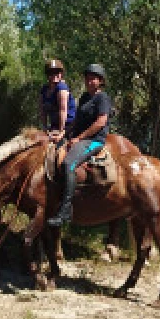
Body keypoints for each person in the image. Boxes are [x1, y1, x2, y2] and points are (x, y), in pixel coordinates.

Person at [48, 64, 111, 227]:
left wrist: (79, 138)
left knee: (69, 164)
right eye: (88, 78)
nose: (90, 81)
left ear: (100, 81)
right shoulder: (84, 97)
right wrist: (64, 134)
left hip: (94, 141)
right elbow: (76, 120)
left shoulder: (102, 98)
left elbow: (101, 122)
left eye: (94, 78)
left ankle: (66, 211)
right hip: (79, 138)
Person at [38, 58, 76, 142]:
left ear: (61, 74)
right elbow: (42, 110)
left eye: (57, 72)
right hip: (54, 125)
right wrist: (44, 127)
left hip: (68, 126)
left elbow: (63, 110)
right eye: (51, 72)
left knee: (59, 146)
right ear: (47, 75)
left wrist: (61, 131)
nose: (54, 75)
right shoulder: (44, 89)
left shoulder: (61, 88)